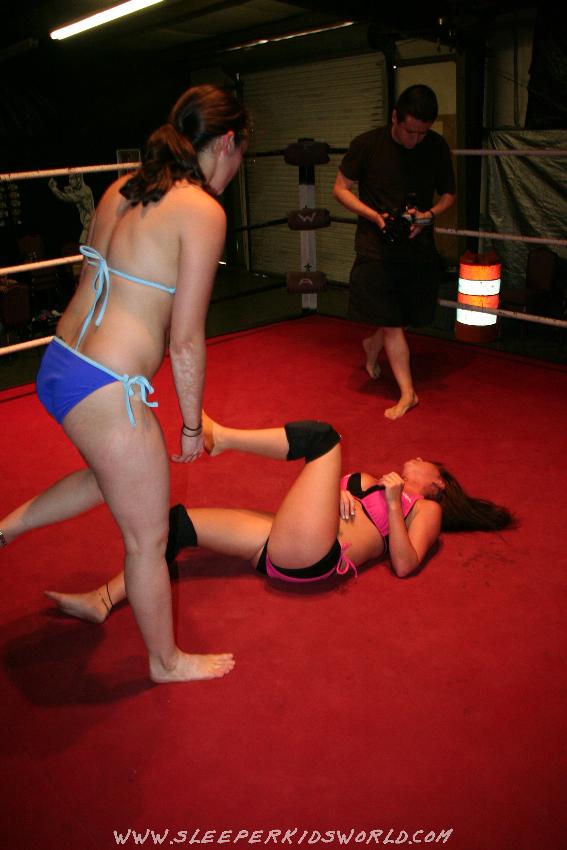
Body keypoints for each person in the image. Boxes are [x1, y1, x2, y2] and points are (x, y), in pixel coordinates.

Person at [1, 85, 251, 683]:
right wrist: (190, 424)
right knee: (147, 539)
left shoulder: (122, 187)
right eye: (242, 153)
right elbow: (185, 338)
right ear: (227, 143)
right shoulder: (203, 210)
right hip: (108, 384)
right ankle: (166, 661)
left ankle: (4, 528)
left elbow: (91, 277)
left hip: (61, 363)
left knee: (109, 475)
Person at [12, 413, 513, 625]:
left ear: (439, 482)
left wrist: (396, 502)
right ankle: (102, 600)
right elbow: (325, 494)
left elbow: (404, 564)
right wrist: (345, 493)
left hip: (319, 557)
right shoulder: (372, 479)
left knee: (324, 439)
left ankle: (224, 437)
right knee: (177, 525)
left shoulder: (426, 508)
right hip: (285, 538)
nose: (418, 457)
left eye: (427, 462)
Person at [333, 84, 456, 420]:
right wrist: (374, 216)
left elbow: (449, 195)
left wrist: (428, 216)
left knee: (402, 316)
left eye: (422, 133)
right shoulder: (367, 144)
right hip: (376, 246)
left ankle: (371, 345)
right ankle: (408, 393)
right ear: (394, 117)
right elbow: (340, 189)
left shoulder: (436, 146)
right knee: (392, 321)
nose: (415, 140)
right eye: (409, 131)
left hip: (417, 245)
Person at [48, 173, 95, 243]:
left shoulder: (83, 193)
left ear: (78, 179)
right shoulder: (86, 188)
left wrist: (54, 189)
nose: (69, 181)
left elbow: (64, 197)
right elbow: (73, 192)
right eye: (69, 179)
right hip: (90, 224)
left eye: (72, 179)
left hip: (89, 226)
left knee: (83, 245)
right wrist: (70, 190)